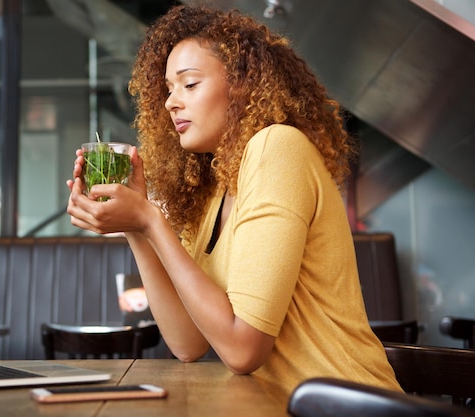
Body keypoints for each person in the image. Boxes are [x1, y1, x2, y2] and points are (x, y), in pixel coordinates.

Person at [67, 4, 402, 405]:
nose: (172, 102)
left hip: (351, 407)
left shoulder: (276, 148)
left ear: (242, 86)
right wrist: (138, 229)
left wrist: (152, 221)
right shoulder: (214, 188)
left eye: (189, 85)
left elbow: (243, 350)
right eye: (169, 89)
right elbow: (188, 343)